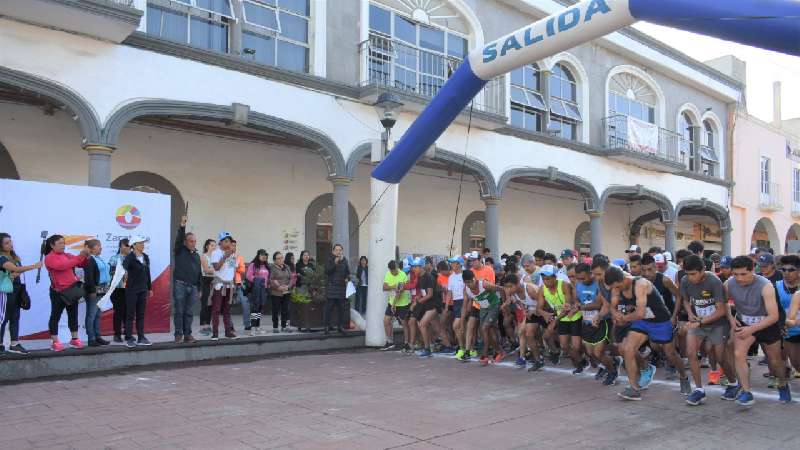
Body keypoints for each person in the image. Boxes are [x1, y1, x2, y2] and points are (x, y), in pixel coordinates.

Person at [605, 265, 690, 401]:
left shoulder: (640, 284)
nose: (616, 290)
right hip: (642, 322)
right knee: (628, 349)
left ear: (622, 279)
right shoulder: (616, 286)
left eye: (617, 287)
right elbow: (612, 306)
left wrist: (624, 318)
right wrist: (616, 315)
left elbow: (640, 313)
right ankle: (634, 388)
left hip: (660, 321)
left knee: (671, 354)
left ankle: (684, 377)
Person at [724, 256, 791, 406]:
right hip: (744, 321)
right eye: (735, 274)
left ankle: (782, 383)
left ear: (753, 271)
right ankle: (747, 392)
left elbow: (774, 316)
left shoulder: (765, 285)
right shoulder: (729, 284)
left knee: (775, 361)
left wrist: (751, 329)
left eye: (743, 274)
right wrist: (730, 317)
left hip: (767, 323)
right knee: (738, 354)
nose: (739, 278)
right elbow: (722, 303)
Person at [679, 255, 737, 406]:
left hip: (718, 323)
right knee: (691, 353)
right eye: (688, 274)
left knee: (719, 357)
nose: (690, 277)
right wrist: (691, 314)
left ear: (703, 270)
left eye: (693, 274)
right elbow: (685, 300)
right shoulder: (685, 280)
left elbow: (721, 310)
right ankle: (699, 390)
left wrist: (701, 321)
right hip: (698, 323)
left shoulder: (714, 281)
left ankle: (733, 383)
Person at [43, 234, 89, 352]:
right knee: (55, 316)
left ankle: (74, 339)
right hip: (58, 292)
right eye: (60, 243)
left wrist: (86, 256)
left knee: (73, 315)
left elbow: (79, 263)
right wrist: (80, 256)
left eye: (64, 243)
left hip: (71, 291)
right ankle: (55, 341)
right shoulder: (49, 257)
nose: (63, 245)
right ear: (52, 245)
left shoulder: (66, 255)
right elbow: (63, 266)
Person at [0, 233, 41, 355]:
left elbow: (17, 270)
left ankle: (14, 344)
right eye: (7, 243)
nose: (10, 244)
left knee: (15, 317)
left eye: (11, 241)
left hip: (17, 289)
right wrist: (34, 266)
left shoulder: (14, 256)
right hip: (6, 291)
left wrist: (14, 274)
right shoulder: (1, 258)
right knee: (3, 318)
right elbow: (16, 269)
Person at [536, 265, 583, 371]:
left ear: (555, 277)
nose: (546, 281)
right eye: (543, 279)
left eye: (548, 279)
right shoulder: (542, 289)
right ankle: (581, 361)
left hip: (574, 316)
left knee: (576, 347)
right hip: (561, 319)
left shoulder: (564, 285)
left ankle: (583, 361)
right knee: (565, 346)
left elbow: (567, 306)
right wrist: (545, 313)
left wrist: (555, 320)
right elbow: (538, 309)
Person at [575, 263, 616, 381]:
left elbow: (600, 304)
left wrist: (581, 307)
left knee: (598, 353)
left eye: (583, 278)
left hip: (601, 321)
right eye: (579, 278)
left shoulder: (599, 284)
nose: (581, 280)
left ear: (590, 273)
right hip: (587, 322)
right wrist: (575, 304)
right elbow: (576, 299)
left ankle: (612, 371)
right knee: (591, 353)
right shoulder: (578, 285)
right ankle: (606, 364)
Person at [172, 215, 202, 344]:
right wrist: (182, 225)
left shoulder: (196, 255)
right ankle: (178, 335)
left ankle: (187, 334)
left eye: (195, 241)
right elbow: (179, 239)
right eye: (191, 241)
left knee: (189, 312)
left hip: (193, 287)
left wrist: (200, 288)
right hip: (180, 285)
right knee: (179, 311)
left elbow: (199, 272)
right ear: (185, 242)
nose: (193, 243)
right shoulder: (179, 250)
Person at [122, 235, 153, 348]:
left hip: (143, 289)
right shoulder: (129, 257)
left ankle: (141, 337)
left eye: (143, 243)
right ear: (134, 245)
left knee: (141, 314)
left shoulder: (145, 257)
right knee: (130, 315)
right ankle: (129, 338)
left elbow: (147, 273)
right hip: (131, 290)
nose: (143, 245)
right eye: (140, 243)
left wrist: (149, 288)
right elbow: (123, 267)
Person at [82, 239, 110, 347]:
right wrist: (92, 290)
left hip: (103, 289)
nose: (101, 248)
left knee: (98, 315)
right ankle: (91, 338)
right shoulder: (90, 259)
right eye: (99, 246)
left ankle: (98, 337)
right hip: (94, 290)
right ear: (92, 248)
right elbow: (89, 277)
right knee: (91, 315)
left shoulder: (99, 258)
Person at [210, 232, 237, 340]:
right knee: (216, 309)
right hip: (219, 285)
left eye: (229, 241)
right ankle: (215, 333)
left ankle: (228, 332)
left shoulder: (232, 254)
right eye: (226, 241)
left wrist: (233, 284)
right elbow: (216, 267)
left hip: (229, 286)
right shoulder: (216, 253)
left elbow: (232, 270)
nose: (228, 243)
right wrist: (225, 256)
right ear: (220, 242)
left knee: (227, 310)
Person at [381, 260, 410, 351]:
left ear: (397, 267)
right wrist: (393, 286)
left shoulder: (403, 275)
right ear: (390, 269)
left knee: (404, 323)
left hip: (402, 303)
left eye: (395, 270)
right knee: (386, 320)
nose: (394, 272)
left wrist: (394, 304)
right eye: (392, 270)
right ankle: (390, 342)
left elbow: (399, 292)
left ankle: (406, 343)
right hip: (392, 301)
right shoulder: (388, 274)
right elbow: (384, 287)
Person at [447, 257, 470, 360]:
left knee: (456, 325)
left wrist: (468, 304)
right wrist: (446, 306)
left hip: (465, 302)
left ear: (460, 264)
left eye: (455, 263)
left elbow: (469, 291)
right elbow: (449, 292)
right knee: (461, 327)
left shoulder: (465, 274)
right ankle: (464, 348)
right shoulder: (451, 277)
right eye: (452, 263)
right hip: (456, 303)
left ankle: (464, 348)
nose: (452, 265)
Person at [324, 244, 350, 334]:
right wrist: (335, 263)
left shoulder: (344, 260)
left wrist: (347, 278)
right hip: (332, 287)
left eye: (340, 250)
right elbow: (327, 271)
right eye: (337, 250)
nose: (338, 251)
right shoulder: (329, 259)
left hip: (341, 288)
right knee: (329, 308)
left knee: (341, 309)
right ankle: (327, 326)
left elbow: (347, 272)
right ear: (333, 251)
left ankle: (340, 326)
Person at [108, 239, 130, 343]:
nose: (128, 248)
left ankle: (128, 333)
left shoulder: (132, 258)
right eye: (126, 246)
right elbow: (111, 273)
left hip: (129, 289)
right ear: (121, 246)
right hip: (117, 289)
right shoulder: (114, 258)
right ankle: (117, 334)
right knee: (118, 312)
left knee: (128, 312)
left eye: (130, 246)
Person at [783, 255, 800, 381]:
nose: (786, 273)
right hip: (793, 333)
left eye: (791, 270)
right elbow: (791, 318)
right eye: (784, 270)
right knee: (796, 363)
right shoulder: (798, 295)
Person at [245, 250, 270, 334]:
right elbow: (248, 276)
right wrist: (257, 280)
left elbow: (268, 278)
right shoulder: (253, 265)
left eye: (265, 255)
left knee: (259, 309)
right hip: (256, 290)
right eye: (262, 255)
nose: (264, 257)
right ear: (258, 256)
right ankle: (252, 327)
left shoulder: (266, 266)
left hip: (264, 290)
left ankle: (257, 327)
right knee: (255, 308)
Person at [269, 251, 294, 333]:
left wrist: (288, 286)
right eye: (278, 258)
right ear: (274, 260)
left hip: (286, 291)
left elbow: (291, 278)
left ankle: (285, 326)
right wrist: (278, 287)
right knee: (275, 310)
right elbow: (271, 280)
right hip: (276, 293)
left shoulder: (287, 267)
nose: (280, 260)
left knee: (285, 310)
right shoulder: (273, 268)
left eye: (281, 258)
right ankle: (275, 326)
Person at [231, 240, 250, 335]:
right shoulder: (224, 257)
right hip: (228, 285)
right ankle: (230, 326)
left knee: (245, 303)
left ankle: (247, 325)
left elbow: (242, 270)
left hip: (238, 285)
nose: (233, 247)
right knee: (226, 307)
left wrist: (235, 266)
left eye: (235, 245)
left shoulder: (239, 257)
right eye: (231, 245)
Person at [198, 239, 217, 336]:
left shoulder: (216, 258)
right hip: (205, 281)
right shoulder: (203, 256)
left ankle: (208, 325)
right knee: (205, 304)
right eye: (212, 245)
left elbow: (216, 269)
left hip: (214, 281)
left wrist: (214, 269)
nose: (214, 247)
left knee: (211, 304)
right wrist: (216, 269)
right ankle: (202, 326)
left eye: (215, 245)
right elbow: (206, 270)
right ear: (207, 246)